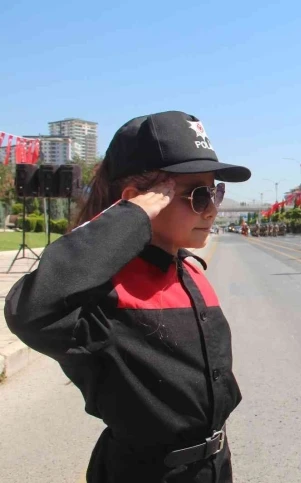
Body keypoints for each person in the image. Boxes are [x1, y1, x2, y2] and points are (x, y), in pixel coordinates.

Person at [4, 111, 249, 482]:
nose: (213, 208)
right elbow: (31, 310)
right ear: (139, 201)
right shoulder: (105, 289)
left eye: (216, 191)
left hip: (213, 467)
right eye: (198, 195)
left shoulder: (191, 272)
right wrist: (128, 218)